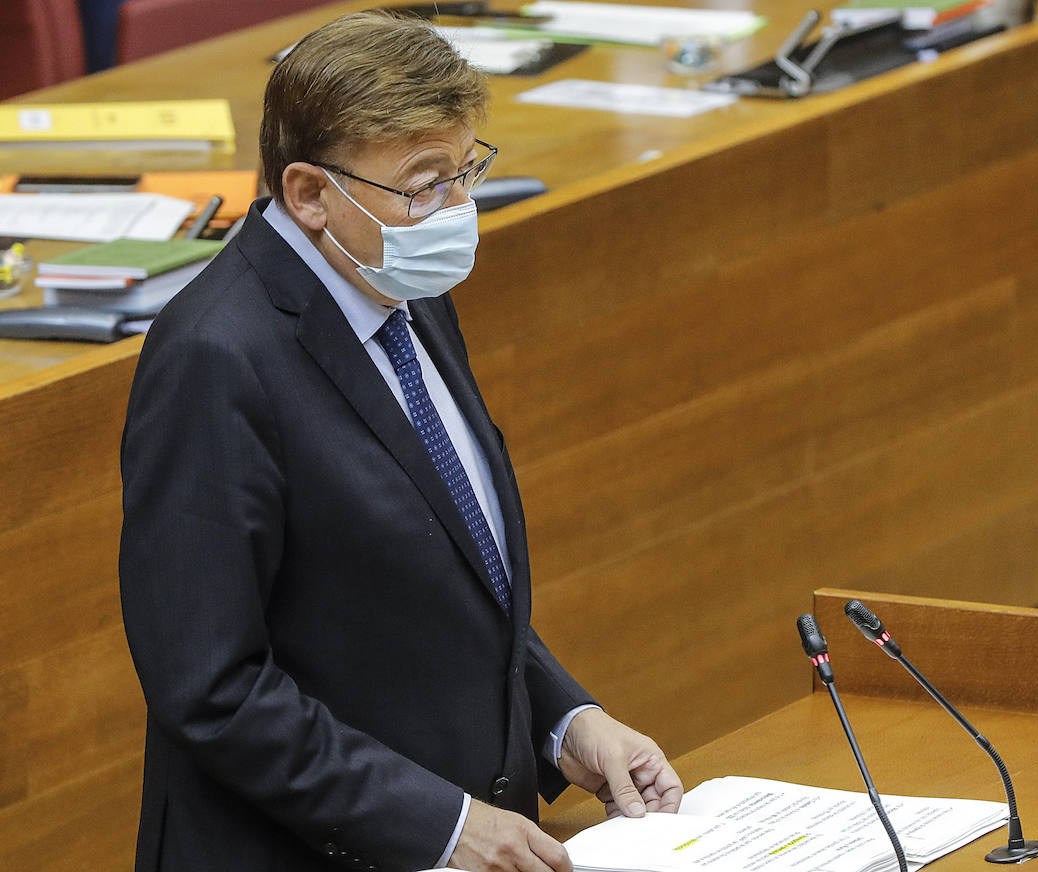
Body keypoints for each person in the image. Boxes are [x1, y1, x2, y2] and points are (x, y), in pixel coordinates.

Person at [118, 12, 681, 872]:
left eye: (465, 172)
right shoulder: (214, 359)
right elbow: (213, 689)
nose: (457, 211)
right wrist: (443, 826)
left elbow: (440, 573)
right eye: (426, 186)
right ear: (309, 195)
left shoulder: (397, 284)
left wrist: (566, 721)